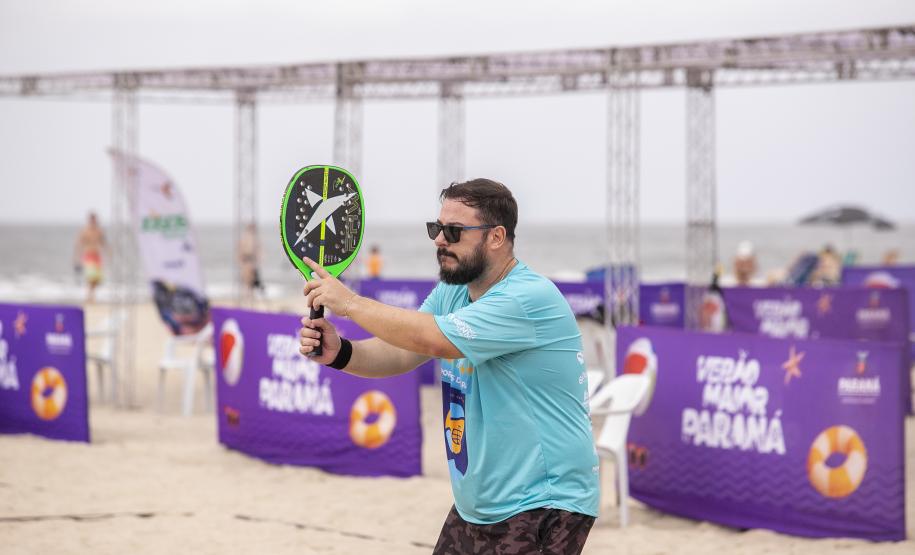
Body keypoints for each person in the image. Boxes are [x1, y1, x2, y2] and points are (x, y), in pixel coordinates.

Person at [299, 179, 599, 554]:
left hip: (544, 501)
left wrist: (351, 304)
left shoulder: (527, 297)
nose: (440, 240)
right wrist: (340, 352)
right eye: (436, 228)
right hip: (481, 503)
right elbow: (403, 352)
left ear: (496, 237)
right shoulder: (455, 291)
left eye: (454, 231)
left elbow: (431, 339)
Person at [73, 212, 107, 303]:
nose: (93, 221)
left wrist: (109, 253)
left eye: (94, 219)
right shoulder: (85, 231)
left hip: (97, 255)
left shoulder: (99, 231)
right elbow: (79, 244)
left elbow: (104, 243)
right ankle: (89, 297)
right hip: (88, 255)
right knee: (91, 277)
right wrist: (76, 258)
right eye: (92, 219)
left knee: (97, 279)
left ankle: (91, 295)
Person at [238, 222, 264, 302]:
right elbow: (240, 250)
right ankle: (247, 295)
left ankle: (250, 295)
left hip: (251, 261)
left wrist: (259, 259)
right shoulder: (245, 238)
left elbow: (259, 250)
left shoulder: (254, 239)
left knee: (251, 280)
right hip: (246, 261)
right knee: (247, 280)